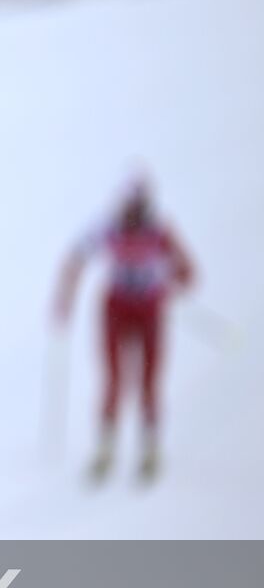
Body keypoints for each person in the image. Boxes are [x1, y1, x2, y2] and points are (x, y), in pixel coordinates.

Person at [54, 180, 194, 482]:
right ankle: (105, 449)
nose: (131, 213)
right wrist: (64, 299)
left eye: (137, 207)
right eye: (128, 206)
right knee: (114, 378)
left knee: (149, 379)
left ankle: (150, 450)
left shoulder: (159, 230)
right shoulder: (108, 226)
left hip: (149, 309)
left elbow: (188, 272)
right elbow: (75, 259)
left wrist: (172, 279)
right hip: (116, 308)